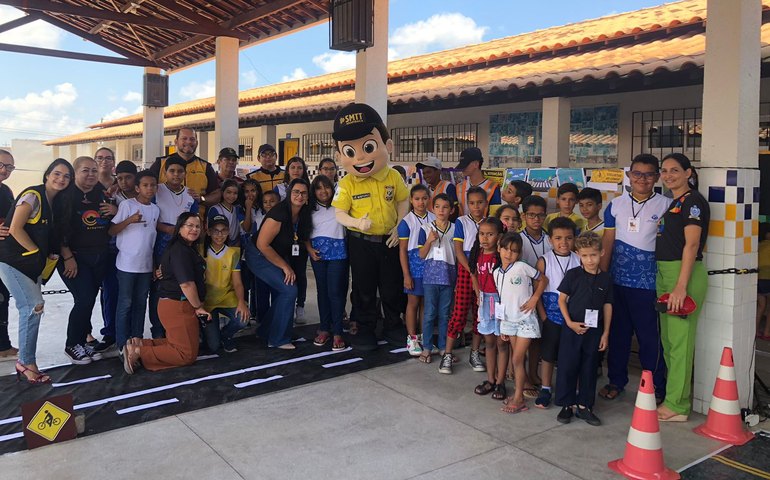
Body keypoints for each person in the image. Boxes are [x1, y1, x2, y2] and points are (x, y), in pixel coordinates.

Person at [332, 103, 410, 351]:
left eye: (367, 147)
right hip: (361, 242)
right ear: (340, 156)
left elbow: (403, 200)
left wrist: (400, 226)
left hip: (389, 240)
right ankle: (365, 327)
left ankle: (392, 324)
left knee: (391, 285)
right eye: (350, 151)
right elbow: (339, 213)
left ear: (387, 146)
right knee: (363, 287)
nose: (361, 157)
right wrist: (356, 222)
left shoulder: (393, 176)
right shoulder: (347, 183)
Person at [600, 154, 670, 402]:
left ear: (656, 177)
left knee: (649, 337)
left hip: (648, 284)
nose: (643, 179)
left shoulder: (666, 205)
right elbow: (608, 241)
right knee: (618, 335)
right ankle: (616, 381)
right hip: (617, 282)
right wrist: (603, 276)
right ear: (629, 176)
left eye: (649, 174)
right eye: (637, 173)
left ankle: (656, 387)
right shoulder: (615, 205)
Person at [0, 158, 73, 383]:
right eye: (57, 174)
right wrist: (35, 252)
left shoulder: (57, 202)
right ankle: (26, 363)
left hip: (31, 264)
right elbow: (15, 228)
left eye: (66, 176)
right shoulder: (33, 195)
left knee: (31, 308)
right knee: (33, 306)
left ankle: (25, 359)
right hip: (13, 261)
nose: (61, 179)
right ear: (47, 175)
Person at [655, 153, 709, 422]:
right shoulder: (675, 202)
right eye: (664, 171)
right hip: (666, 273)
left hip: (682, 275)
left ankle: (678, 405)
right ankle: (673, 397)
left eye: (675, 170)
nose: (668, 175)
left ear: (689, 173)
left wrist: (680, 286)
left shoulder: (693, 202)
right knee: (669, 341)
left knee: (680, 343)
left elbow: (692, 245)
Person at [122, 212, 209, 373]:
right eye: (189, 225)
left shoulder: (186, 248)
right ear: (180, 227)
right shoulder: (180, 251)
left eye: (197, 226)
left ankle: (140, 344)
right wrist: (198, 307)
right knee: (186, 354)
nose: (194, 229)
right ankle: (139, 352)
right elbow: (187, 284)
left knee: (178, 344)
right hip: (178, 306)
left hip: (177, 305)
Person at [59, 156, 118, 365]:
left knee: (88, 301)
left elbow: (112, 221)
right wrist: (67, 257)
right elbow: (58, 231)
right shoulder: (65, 196)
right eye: (86, 170)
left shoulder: (102, 193)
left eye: (94, 170)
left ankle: (83, 343)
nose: (91, 174)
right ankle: (72, 344)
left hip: (99, 256)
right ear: (75, 173)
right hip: (74, 258)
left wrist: (116, 211)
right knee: (83, 299)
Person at [555, 231, 613, 426]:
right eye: (585, 255)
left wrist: (605, 333)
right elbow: (561, 300)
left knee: (589, 368)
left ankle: (585, 406)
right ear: (578, 254)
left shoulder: (606, 279)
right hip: (572, 329)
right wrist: (570, 322)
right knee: (568, 366)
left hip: (594, 331)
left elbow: (608, 306)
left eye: (594, 255)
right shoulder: (573, 275)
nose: (590, 260)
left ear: (602, 253)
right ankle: (567, 405)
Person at [249, 178, 312, 350]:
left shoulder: (303, 212)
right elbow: (262, 244)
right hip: (258, 254)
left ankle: (266, 330)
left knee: (286, 290)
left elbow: (302, 236)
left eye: (304, 193)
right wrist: (285, 266)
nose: (300, 196)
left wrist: (310, 250)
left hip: (276, 254)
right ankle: (278, 339)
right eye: (296, 192)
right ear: (289, 193)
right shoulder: (280, 212)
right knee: (289, 290)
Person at [108, 170, 160, 352]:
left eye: (153, 185)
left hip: (145, 266)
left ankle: (137, 339)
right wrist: (129, 220)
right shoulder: (127, 206)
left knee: (140, 303)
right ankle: (122, 342)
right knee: (125, 303)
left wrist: (153, 264)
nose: (149, 188)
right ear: (137, 188)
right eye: (145, 185)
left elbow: (151, 240)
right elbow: (112, 230)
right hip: (127, 265)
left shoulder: (155, 209)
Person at [439, 186, 488, 374]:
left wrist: (480, 272)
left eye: (480, 202)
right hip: (467, 271)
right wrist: (472, 271)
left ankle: (474, 352)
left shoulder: (490, 223)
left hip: (485, 272)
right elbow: (459, 251)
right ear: (467, 204)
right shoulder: (461, 222)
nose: (476, 207)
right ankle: (448, 353)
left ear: (486, 203)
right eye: (472, 203)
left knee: (479, 314)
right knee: (459, 313)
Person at [496, 231, 547, 414]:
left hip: (525, 320)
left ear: (519, 253)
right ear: (499, 249)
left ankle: (519, 398)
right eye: (506, 249)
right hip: (509, 322)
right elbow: (503, 299)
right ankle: (519, 395)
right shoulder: (497, 273)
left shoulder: (522, 267)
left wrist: (534, 298)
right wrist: (502, 323)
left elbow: (543, 279)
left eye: (514, 251)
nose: (509, 254)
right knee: (518, 361)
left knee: (517, 358)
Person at [150, 156, 199, 338]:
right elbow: (149, 219)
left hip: (182, 246)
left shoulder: (190, 195)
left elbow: (194, 222)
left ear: (185, 174)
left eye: (180, 171)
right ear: (165, 172)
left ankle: (176, 330)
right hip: (160, 244)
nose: (176, 175)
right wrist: (170, 229)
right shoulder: (156, 191)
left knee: (180, 286)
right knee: (159, 286)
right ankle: (158, 331)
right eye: (172, 171)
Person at [535, 217, 580, 408]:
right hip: (551, 317)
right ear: (550, 240)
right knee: (548, 355)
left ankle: (572, 389)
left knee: (571, 355)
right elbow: (537, 292)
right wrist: (544, 317)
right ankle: (546, 387)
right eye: (559, 238)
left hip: (573, 318)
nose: (564, 242)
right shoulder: (544, 261)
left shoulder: (579, 260)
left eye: (568, 238)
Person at [306, 175, 348, 351]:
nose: (323, 191)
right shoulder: (309, 209)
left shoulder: (341, 206)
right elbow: (303, 232)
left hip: (338, 253)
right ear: (314, 191)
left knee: (335, 292)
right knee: (322, 291)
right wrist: (309, 249)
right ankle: (324, 328)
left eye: (327, 187)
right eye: (318, 188)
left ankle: (337, 331)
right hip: (318, 256)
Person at [470, 217, 507, 400]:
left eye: (490, 234)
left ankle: (501, 382)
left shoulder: (503, 255)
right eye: (481, 234)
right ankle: (490, 380)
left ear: (499, 236)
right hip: (485, 302)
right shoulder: (477, 253)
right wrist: (478, 295)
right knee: (489, 342)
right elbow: (474, 276)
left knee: (502, 342)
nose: (485, 238)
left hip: (501, 303)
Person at [201, 215, 249, 353]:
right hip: (206, 302)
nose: (219, 234)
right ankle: (206, 333)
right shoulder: (200, 251)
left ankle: (226, 335)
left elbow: (238, 282)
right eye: (215, 230)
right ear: (208, 232)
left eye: (223, 230)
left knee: (242, 319)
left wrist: (241, 302)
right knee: (213, 346)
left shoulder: (232, 253)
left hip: (226, 297)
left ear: (228, 232)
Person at [417, 193, 456, 363]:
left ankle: (442, 348)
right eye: (438, 207)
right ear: (433, 209)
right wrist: (429, 241)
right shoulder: (425, 228)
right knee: (430, 313)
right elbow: (421, 254)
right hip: (431, 277)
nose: (441, 210)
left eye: (445, 207)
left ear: (451, 210)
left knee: (445, 314)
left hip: (449, 276)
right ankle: (426, 347)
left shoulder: (455, 228)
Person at [398, 184, 435, 356]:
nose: (421, 202)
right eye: (417, 199)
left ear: (429, 199)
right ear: (411, 201)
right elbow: (403, 250)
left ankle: (424, 337)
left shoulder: (435, 219)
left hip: (431, 266)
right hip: (414, 266)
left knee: (426, 304)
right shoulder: (406, 222)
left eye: (424, 198)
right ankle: (411, 338)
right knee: (413, 302)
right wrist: (406, 274)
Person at [274, 156, 310, 323]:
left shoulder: (308, 189)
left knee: (300, 274)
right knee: (285, 274)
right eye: (293, 167)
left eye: (299, 167)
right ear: (287, 170)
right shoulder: (279, 189)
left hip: (301, 239)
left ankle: (300, 306)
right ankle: (284, 307)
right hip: (283, 240)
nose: (296, 170)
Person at [149, 127, 221, 208]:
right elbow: (146, 188)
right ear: (176, 141)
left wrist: (201, 199)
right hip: (163, 219)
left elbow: (217, 195)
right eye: (184, 138)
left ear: (196, 143)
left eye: (192, 139)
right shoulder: (160, 163)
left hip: (196, 219)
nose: (188, 142)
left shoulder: (206, 167)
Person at [0, 150, 17, 360]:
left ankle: (3, 345)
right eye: (1, 164)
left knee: (3, 300)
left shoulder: (6, 191)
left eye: (9, 167)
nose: (4, 170)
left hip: (4, 256)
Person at [455, 147, 501, 217]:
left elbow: (495, 215)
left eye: (465, 165)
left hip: (485, 226)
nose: (463, 168)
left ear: (476, 164)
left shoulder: (492, 187)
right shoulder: (459, 187)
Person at [207, 179, 242, 246]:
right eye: (228, 192)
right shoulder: (215, 209)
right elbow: (211, 231)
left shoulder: (237, 209)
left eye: (235, 193)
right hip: (219, 244)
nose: (232, 196)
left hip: (235, 245)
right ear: (222, 192)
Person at [757, 223, 770, 339]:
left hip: (758, 280)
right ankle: (767, 332)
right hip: (768, 279)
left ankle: (755, 330)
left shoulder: (758, 245)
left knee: (761, 306)